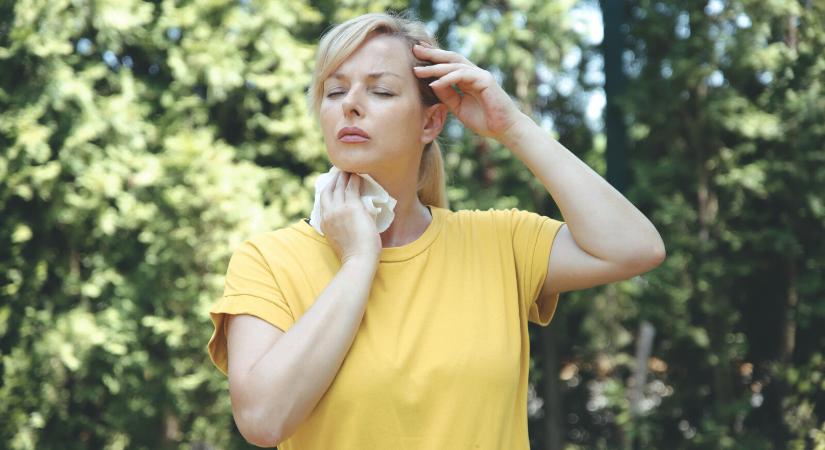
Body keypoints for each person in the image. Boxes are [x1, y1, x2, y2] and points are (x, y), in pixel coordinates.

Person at [206, 11, 665, 450]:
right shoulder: (268, 261)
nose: (350, 105)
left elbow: (635, 247)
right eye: (334, 91)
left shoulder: (498, 243)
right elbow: (262, 420)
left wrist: (512, 127)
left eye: (381, 92)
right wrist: (359, 260)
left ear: (430, 121)